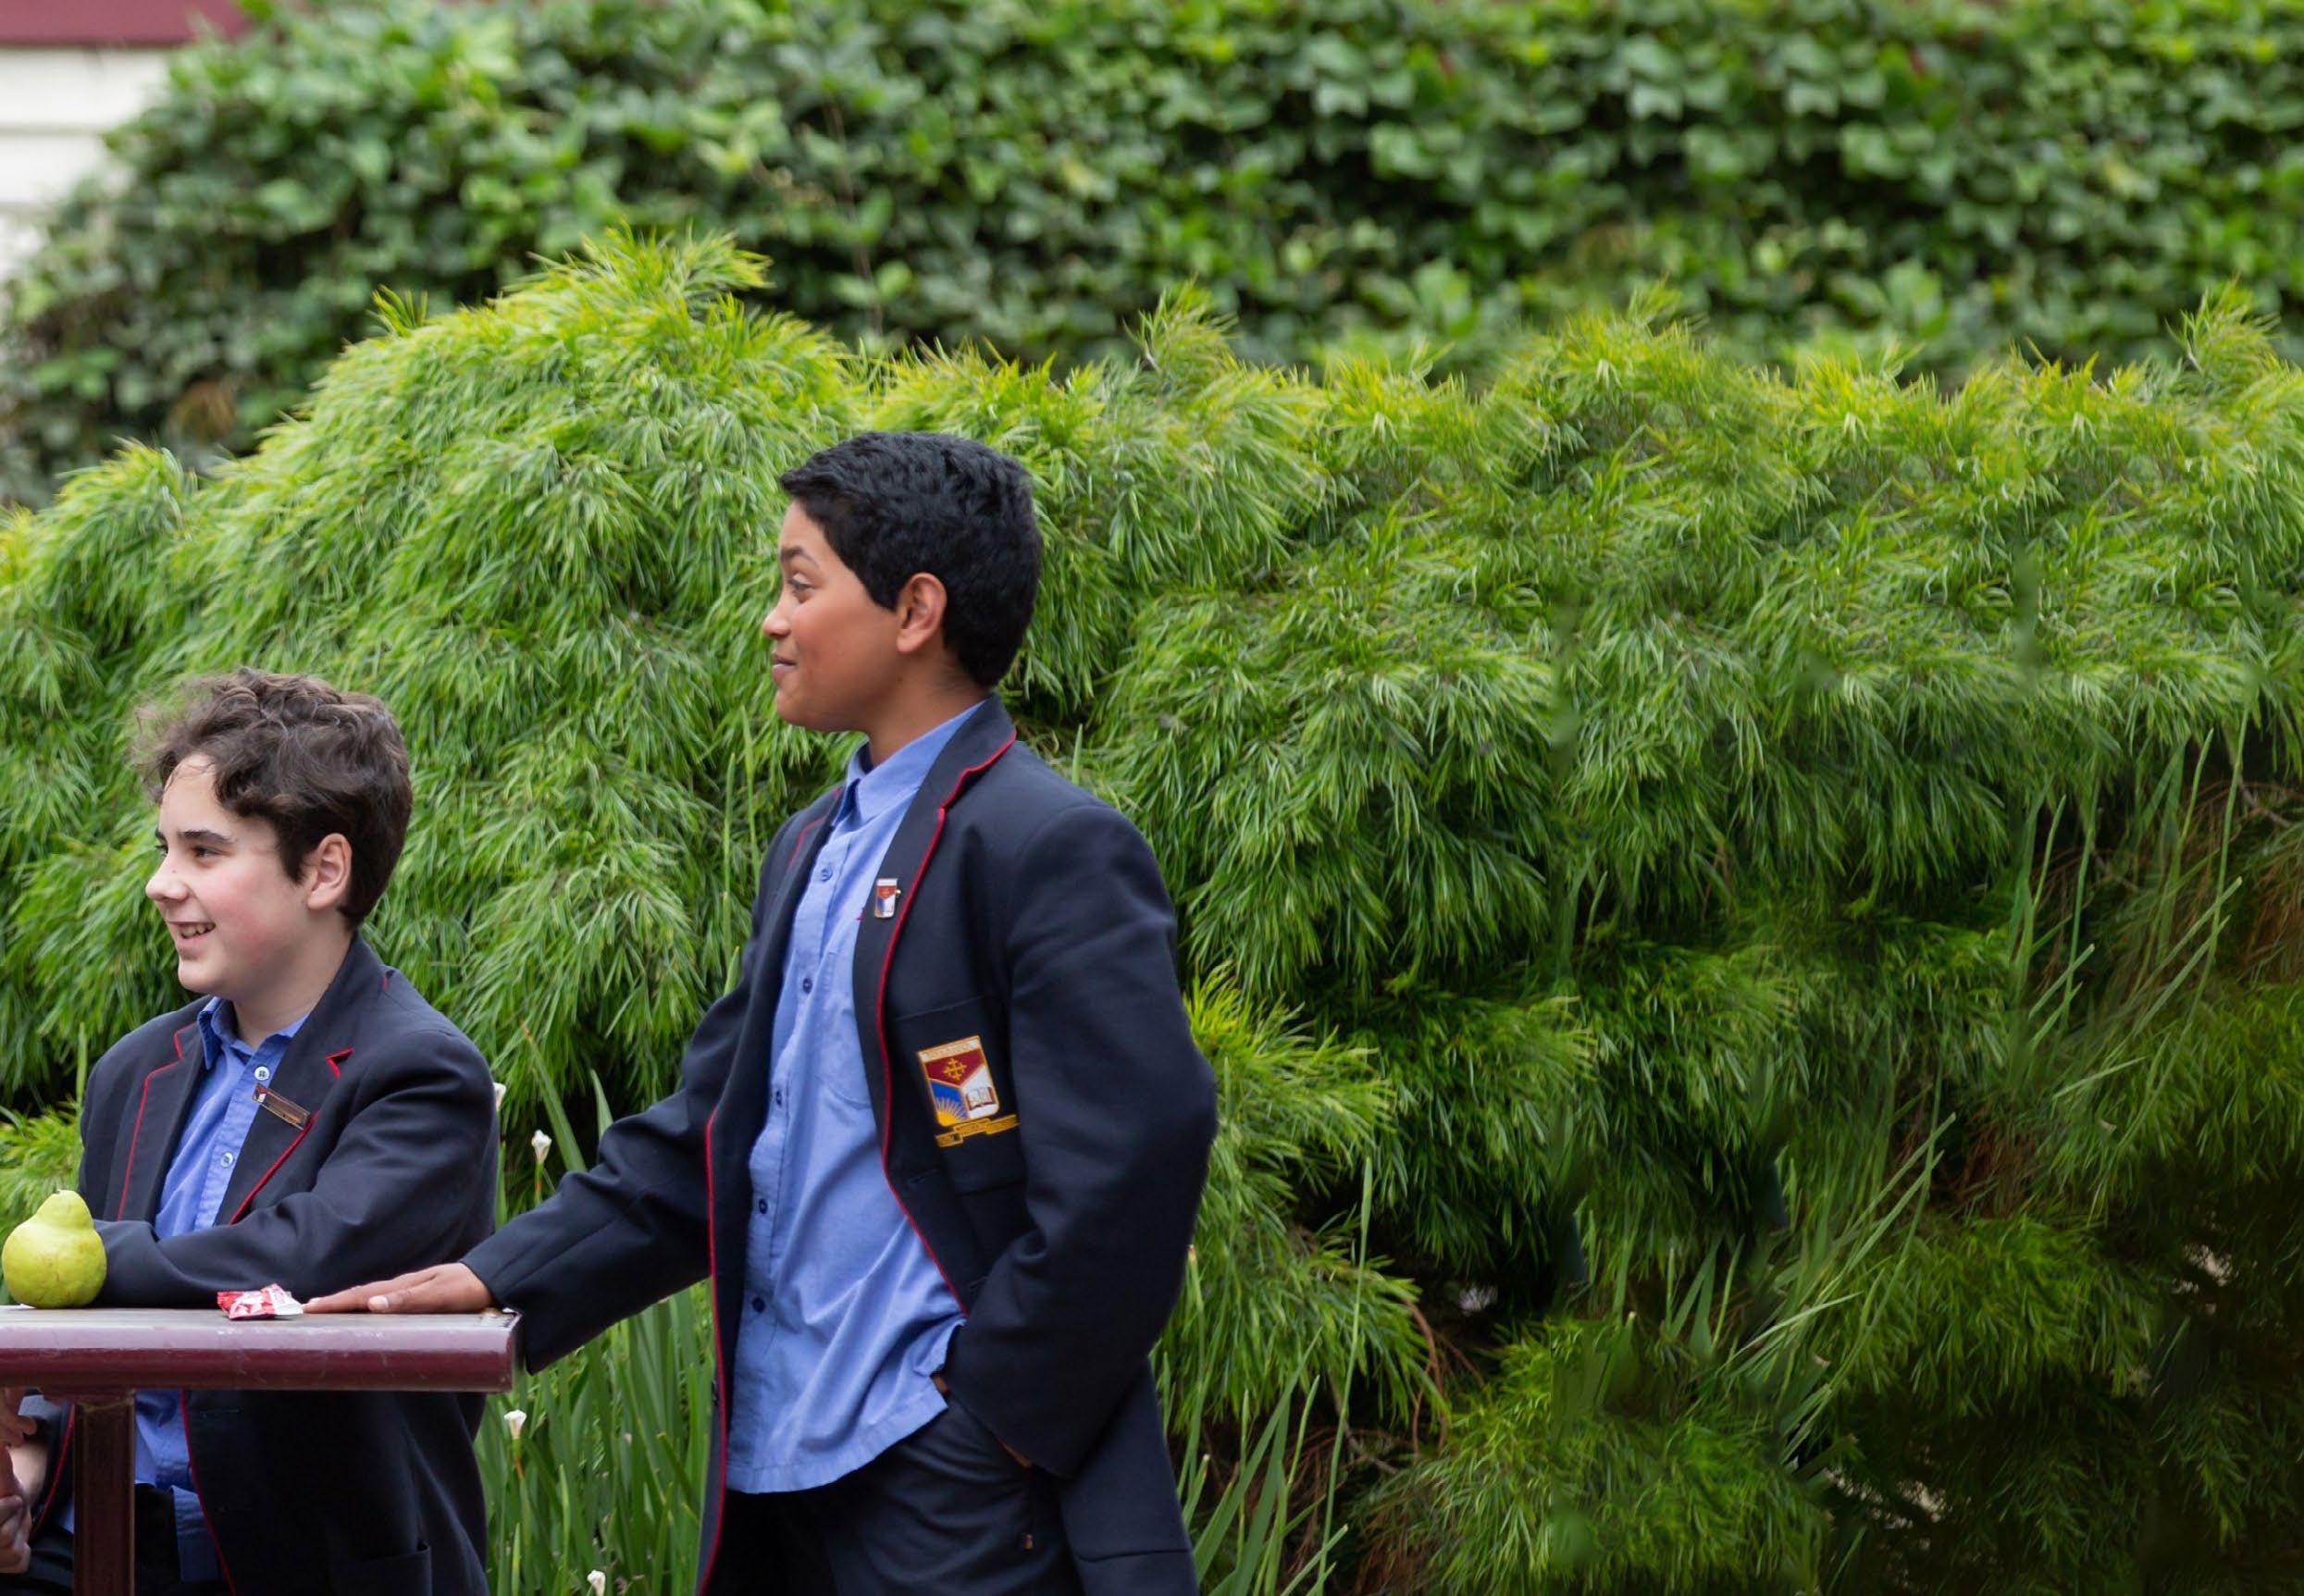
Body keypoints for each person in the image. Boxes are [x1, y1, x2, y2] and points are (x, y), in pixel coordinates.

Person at [313, 431, 1218, 1595]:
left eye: (800, 584)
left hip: (952, 1479)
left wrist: (991, 1413)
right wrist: (498, 1277)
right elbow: (714, 1136)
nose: (770, 621)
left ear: (916, 611)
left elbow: (1135, 1165)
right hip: (784, 1473)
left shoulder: (1047, 846)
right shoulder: (813, 845)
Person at [0, 669, 499, 1595]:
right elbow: (78, 1365)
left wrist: (102, 1261)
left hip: (295, 1562)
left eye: (204, 851)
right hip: (94, 1539)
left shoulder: (424, 1075)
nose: (161, 884)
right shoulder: (133, 1072)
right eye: (164, 848)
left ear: (325, 871)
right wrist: (24, 1470)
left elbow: (301, 1261)